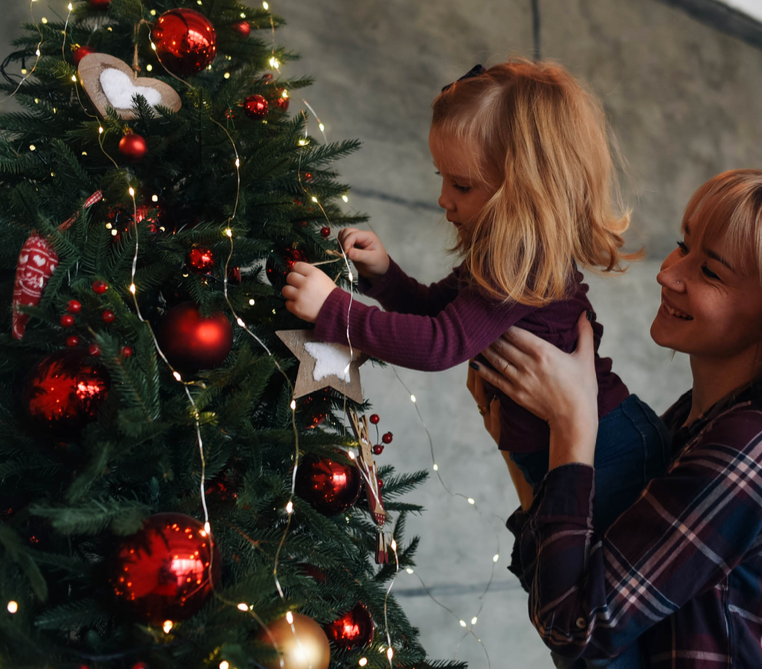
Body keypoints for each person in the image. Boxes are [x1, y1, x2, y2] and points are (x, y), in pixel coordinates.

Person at [281, 61, 669, 666]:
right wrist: (386, 278)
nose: (443, 199)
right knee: (579, 613)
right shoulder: (504, 257)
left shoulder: (526, 263)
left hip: (611, 450)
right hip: (577, 448)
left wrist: (338, 314)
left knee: (598, 628)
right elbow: (445, 314)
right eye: (442, 178)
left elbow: (441, 345)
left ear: (527, 190)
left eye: (461, 185)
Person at [468, 169, 762, 668]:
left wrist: (571, 424)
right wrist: (525, 441)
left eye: (710, 272)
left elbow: (574, 628)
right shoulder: (690, 423)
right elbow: (589, 621)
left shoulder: (755, 445)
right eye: (681, 245)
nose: (668, 274)